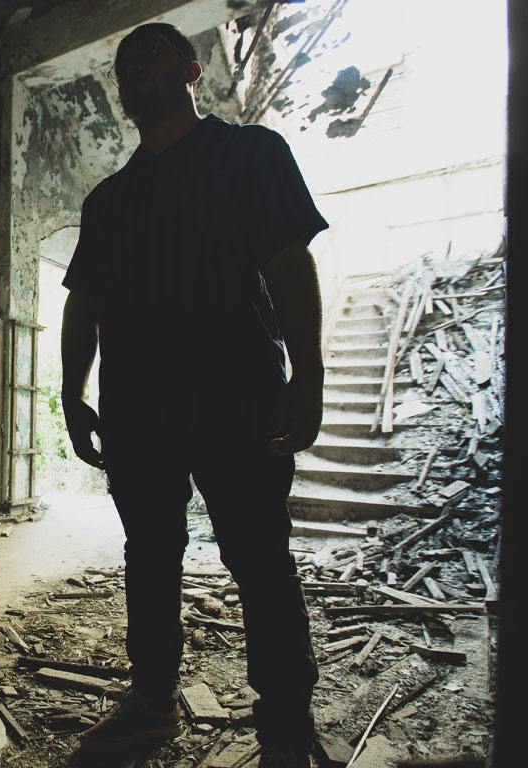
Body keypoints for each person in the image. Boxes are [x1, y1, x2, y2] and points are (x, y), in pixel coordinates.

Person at [59, 23, 329, 768]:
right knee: (149, 555)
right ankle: (152, 702)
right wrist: (71, 391)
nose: (133, 67)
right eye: (124, 62)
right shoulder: (109, 200)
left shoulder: (250, 154)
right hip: (139, 410)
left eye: (150, 54)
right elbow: (84, 301)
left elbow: (288, 263)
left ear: (192, 69)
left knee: (259, 557)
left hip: (236, 396)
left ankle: (283, 726)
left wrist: (308, 376)